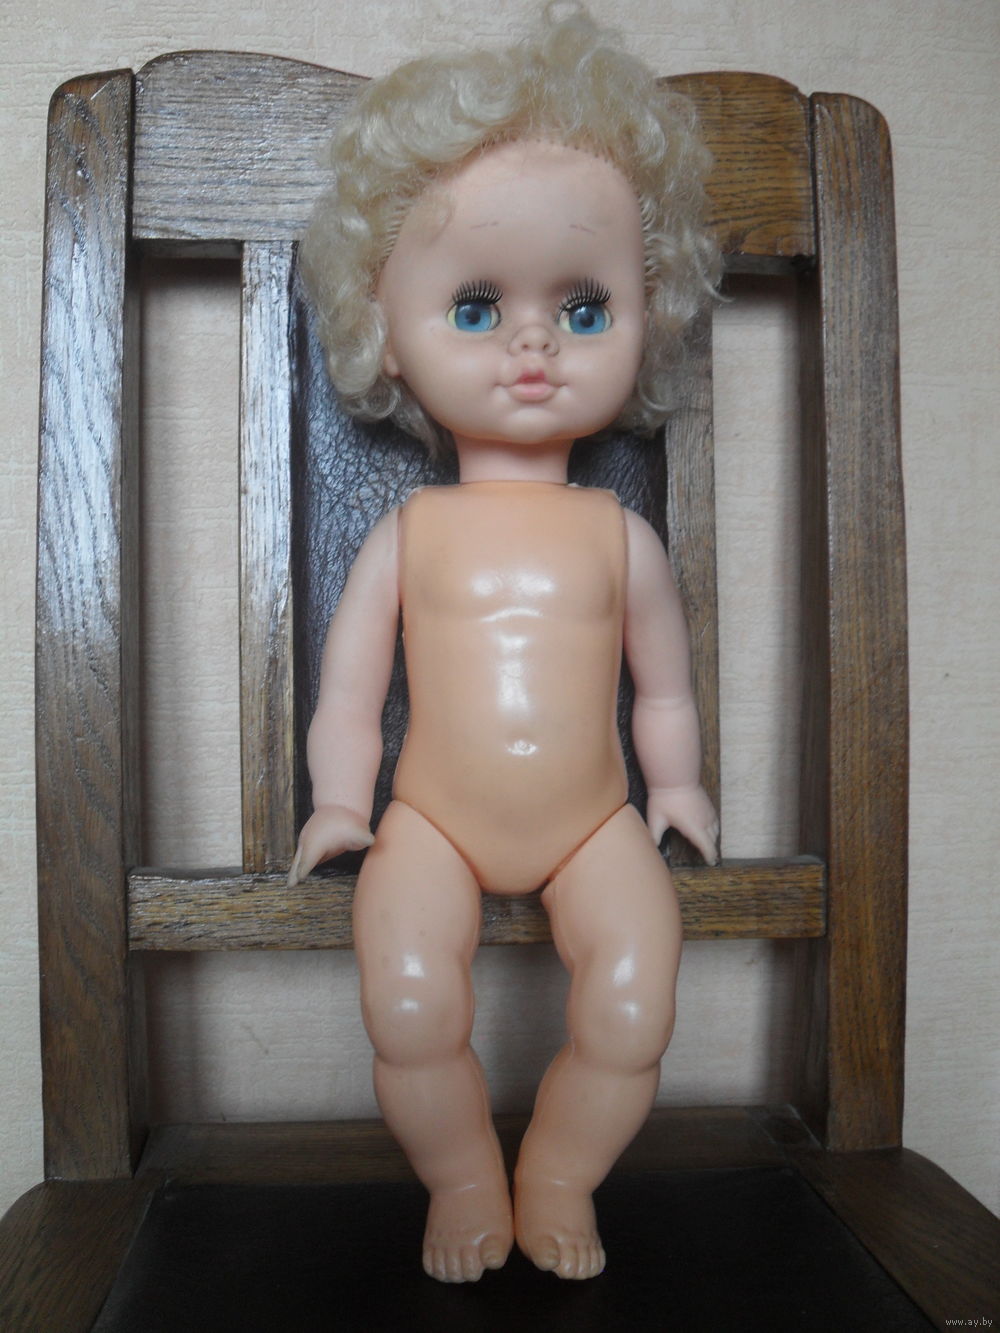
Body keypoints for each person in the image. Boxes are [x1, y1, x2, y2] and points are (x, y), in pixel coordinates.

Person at [289, 4, 720, 1283]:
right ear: (385, 325)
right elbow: (351, 690)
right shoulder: (411, 535)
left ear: (650, 315)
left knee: (635, 994)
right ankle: (464, 1175)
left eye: (583, 307)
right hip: (431, 819)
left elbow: (663, 690)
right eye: (476, 304)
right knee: (408, 995)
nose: (532, 343)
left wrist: (679, 786)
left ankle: (563, 1171)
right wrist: (340, 802)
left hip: (592, 822)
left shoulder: (619, 540)